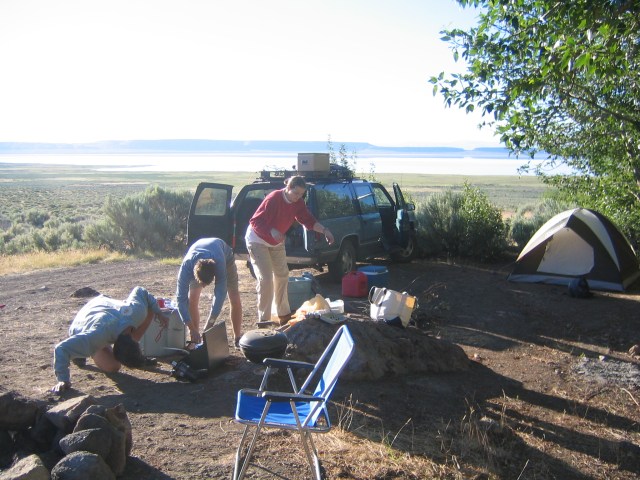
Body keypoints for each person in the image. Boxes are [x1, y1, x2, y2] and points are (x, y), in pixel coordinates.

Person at [245, 175, 334, 326]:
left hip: (276, 242)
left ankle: (283, 314)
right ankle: (264, 320)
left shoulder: (297, 202)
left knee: (282, 275)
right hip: (257, 240)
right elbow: (255, 221)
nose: (298, 197)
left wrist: (325, 230)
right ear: (288, 188)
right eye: (296, 193)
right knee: (266, 279)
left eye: (301, 194)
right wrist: (271, 230)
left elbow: (308, 220)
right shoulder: (274, 198)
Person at [52, 286, 168, 394]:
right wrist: (63, 380)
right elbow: (61, 348)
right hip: (86, 322)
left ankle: (89, 350)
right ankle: (78, 354)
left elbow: (140, 290)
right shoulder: (95, 337)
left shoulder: (136, 312)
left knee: (149, 309)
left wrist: (159, 312)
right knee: (113, 367)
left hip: (106, 305)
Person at [175, 237, 242, 347]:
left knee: (233, 295)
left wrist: (209, 325)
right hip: (197, 256)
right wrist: (191, 328)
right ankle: (195, 339)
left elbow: (220, 295)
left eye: (206, 284)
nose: (204, 287)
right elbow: (180, 300)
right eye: (202, 284)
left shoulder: (220, 264)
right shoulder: (186, 267)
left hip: (225, 255)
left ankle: (237, 338)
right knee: (192, 298)